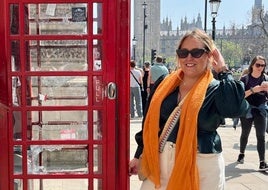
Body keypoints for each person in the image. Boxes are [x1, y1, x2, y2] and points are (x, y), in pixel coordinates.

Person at [129, 29, 249, 190]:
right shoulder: (165, 83)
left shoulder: (216, 89)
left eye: (196, 52)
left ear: (209, 55)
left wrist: (223, 69)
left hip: (202, 164)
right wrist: (138, 155)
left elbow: (234, 108)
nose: (189, 58)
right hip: (160, 161)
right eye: (183, 52)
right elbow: (150, 122)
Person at [237, 55, 268, 171]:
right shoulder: (245, 79)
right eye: (258, 65)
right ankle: (241, 153)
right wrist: (253, 90)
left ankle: (262, 161)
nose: (260, 67)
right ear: (252, 65)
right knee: (245, 133)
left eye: (263, 65)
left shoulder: (266, 79)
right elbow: (240, 96)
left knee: (261, 135)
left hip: (260, 109)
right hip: (247, 109)